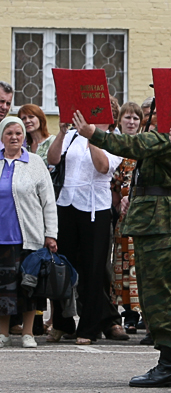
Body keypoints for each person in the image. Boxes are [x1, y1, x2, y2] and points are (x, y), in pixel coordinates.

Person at [72, 108, 171, 385]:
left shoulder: (166, 139)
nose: (149, 115)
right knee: (151, 293)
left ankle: (170, 363)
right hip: (150, 220)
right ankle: (166, 360)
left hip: (158, 221)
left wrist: (93, 134)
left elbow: (129, 143)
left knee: (161, 294)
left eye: (154, 110)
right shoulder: (162, 138)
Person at [46, 116, 124, 345]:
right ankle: (62, 323)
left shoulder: (113, 138)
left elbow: (102, 167)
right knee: (62, 266)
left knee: (93, 269)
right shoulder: (72, 135)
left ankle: (89, 328)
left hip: (94, 207)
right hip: (67, 203)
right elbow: (52, 160)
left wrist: (92, 137)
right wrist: (61, 133)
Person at [0, 117, 57, 348]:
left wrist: (51, 233)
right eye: (9, 133)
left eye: (18, 133)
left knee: (29, 286)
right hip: (2, 238)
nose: (14, 137)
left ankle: (28, 333)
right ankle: (3, 332)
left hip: (29, 237)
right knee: (3, 288)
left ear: (24, 137)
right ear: (2, 137)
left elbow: (49, 202)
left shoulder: (34, 163)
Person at [109, 102, 144, 334]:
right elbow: (113, 185)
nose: (131, 122)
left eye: (136, 118)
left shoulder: (144, 146)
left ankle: (143, 313)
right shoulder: (115, 148)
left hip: (143, 217)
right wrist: (118, 206)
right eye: (127, 118)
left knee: (140, 265)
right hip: (122, 216)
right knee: (122, 266)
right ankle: (128, 314)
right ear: (120, 120)